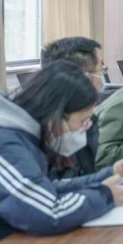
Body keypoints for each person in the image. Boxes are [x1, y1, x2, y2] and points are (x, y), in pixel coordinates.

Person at [0, 62, 123, 244]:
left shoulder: (24, 136)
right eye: (82, 121)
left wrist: (105, 176)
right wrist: (105, 195)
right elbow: (48, 212)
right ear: (55, 115)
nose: (85, 128)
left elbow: (43, 188)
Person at [39, 37, 106, 180]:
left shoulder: (87, 119)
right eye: (101, 70)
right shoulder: (44, 130)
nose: (102, 78)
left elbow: (87, 173)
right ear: (85, 78)